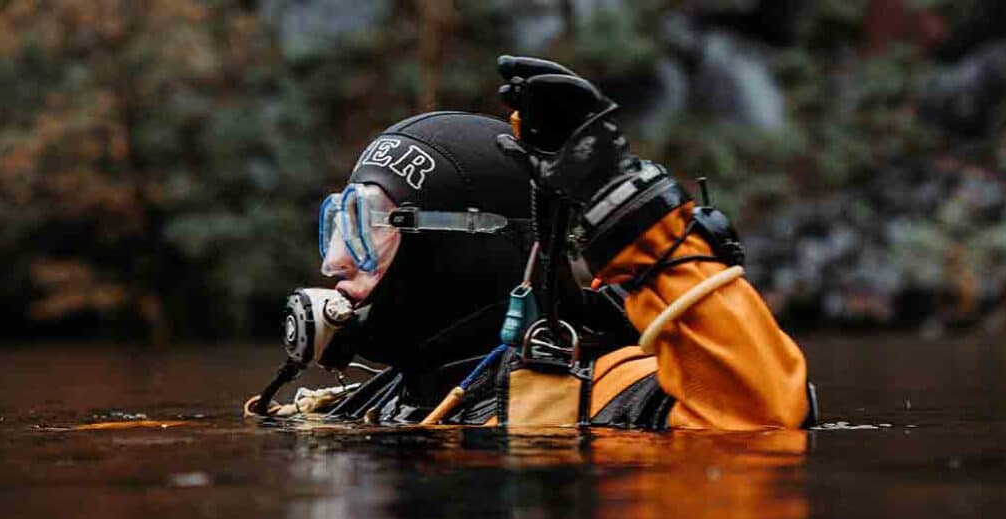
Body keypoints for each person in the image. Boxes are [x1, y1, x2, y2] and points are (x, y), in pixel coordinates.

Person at [287, 56, 816, 430]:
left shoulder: (608, 395)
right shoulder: (376, 400)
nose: (334, 260)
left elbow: (763, 418)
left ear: (464, 251)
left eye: (368, 225)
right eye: (338, 224)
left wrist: (634, 214)